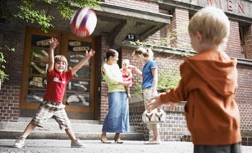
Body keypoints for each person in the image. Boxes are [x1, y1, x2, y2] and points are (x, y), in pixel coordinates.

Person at [147, 6, 242, 153]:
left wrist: (162, 98)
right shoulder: (229, 64)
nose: (191, 43)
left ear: (199, 36)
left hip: (207, 135)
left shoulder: (193, 66)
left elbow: (181, 91)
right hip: (231, 132)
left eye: (191, 39)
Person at [14, 37, 95, 148]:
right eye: (58, 63)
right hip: (47, 104)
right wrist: (51, 49)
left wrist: (87, 58)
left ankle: (74, 141)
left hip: (59, 106)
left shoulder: (66, 76)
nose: (60, 65)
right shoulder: (51, 73)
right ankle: (21, 138)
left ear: (65, 66)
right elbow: (51, 61)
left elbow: (77, 67)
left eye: (63, 63)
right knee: (35, 121)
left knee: (66, 124)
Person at [129, 47, 160, 145]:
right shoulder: (146, 64)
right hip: (147, 89)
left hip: (150, 89)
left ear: (140, 55)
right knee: (150, 112)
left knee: (152, 112)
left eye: (136, 58)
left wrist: (154, 90)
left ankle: (156, 138)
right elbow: (144, 75)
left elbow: (155, 76)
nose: (136, 60)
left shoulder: (151, 63)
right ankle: (155, 137)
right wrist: (135, 69)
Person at [101, 49, 130, 144]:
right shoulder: (104, 67)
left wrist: (126, 90)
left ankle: (117, 136)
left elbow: (120, 77)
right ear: (111, 57)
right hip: (114, 91)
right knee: (113, 112)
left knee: (123, 113)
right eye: (116, 57)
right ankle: (103, 135)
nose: (117, 59)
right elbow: (110, 79)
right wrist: (124, 83)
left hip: (123, 91)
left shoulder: (116, 66)